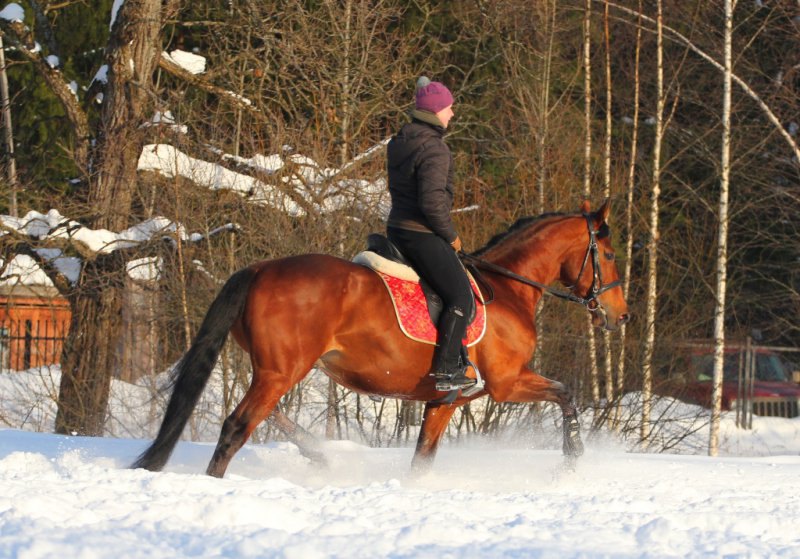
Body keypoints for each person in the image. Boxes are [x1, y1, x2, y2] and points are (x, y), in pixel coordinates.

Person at [386, 76, 476, 391]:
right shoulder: (435, 149)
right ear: (435, 112)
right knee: (461, 294)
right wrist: (451, 236)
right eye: (449, 109)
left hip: (396, 228)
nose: (452, 115)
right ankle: (448, 369)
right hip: (421, 232)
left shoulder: (399, 141)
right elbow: (432, 204)